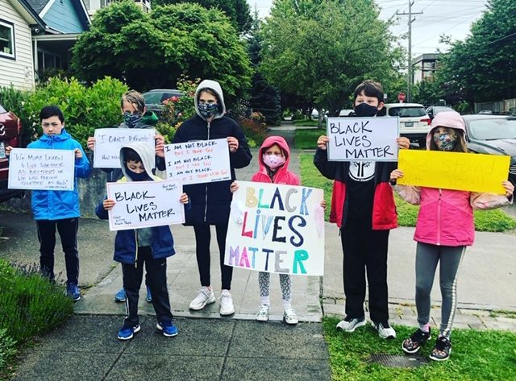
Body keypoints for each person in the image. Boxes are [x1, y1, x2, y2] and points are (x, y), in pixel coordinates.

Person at [390, 110, 514, 361]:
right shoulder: (423, 163)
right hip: (426, 232)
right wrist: (399, 183)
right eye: (436, 132)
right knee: (422, 285)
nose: (441, 136)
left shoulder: (469, 166)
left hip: (455, 234)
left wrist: (505, 195)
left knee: (448, 286)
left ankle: (444, 334)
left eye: (447, 132)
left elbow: (479, 200)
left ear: (458, 136)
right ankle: (423, 328)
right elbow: (414, 197)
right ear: (430, 136)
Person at [314, 80, 410, 339]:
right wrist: (322, 150)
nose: (364, 105)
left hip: (377, 213)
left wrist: (405, 153)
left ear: (380, 105)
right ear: (353, 104)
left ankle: (381, 319)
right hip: (350, 212)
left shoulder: (389, 138)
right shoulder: (344, 135)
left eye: (370, 101)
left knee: (378, 268)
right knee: (352, 265)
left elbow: (402, 175)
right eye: (359, 101)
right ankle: (354, 314)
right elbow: (328, 170)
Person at [172, 79, 252, 316]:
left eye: (211, 101)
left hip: (223, 195)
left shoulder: (230, 127)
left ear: (219, 102)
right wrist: (161, 155)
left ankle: (226, 291)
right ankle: (205, 289)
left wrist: (237, 148)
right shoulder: (186, 128)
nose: (206, 105)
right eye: (202, 101)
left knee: (226, 245)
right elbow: (175, 161)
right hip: (196, 197)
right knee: (201, 244)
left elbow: (245, 159)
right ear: (197, 102)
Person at [95, 142, 190, 340]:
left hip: (157, 247)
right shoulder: (120, 187)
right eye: (132, 167)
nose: (138, 171)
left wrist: (184, 202)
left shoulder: (160, 184)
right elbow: (101, 213)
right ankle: (131, 321)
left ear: (148, 163)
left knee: (158, 285)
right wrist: (105, 206)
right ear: (125, 164)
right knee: (131, 287)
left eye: (141, 166)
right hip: (130, 249)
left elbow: (181, 213)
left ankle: (165, 319)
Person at [230, 136, 325, 325]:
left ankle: (287, 306)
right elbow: (249, 203)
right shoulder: (257, 178)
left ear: (284, 156)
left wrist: (316, 204)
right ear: (263, 155)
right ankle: (264, 305)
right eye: (269, 153)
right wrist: (237, 190)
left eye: (277, 153)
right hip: (263, 235)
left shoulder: (292, 179)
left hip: (284, 236)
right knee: (263, 270)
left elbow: (301, 204)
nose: (273, 157)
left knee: (284, 270)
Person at [87, 90, 166, 303]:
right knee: (128, 243)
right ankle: (127, 285)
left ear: (143, 110)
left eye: (135, 111)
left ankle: (151, 284)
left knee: (148, 242)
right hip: (121, 194)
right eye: (127, 110)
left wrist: (162, 151)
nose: (130, 114)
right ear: (122, 110)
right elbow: (104, 168)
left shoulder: (152, 132)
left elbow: (161, 165)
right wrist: (96, 150)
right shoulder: (114, 134)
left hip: (145, 194)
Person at [6, 105, 91, 301]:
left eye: (54, 124)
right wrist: (14, 158)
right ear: (41, 125)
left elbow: (85, 172)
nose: (50, 128)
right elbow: (23, 174)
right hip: (43, 208)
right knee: (46, 249)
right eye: (46, 125)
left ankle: (72, 285)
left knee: (70, 249)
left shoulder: (72, 145)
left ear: (62, 124)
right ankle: (47, 283)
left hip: (67, 208)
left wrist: (79, 160)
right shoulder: (33, 148)